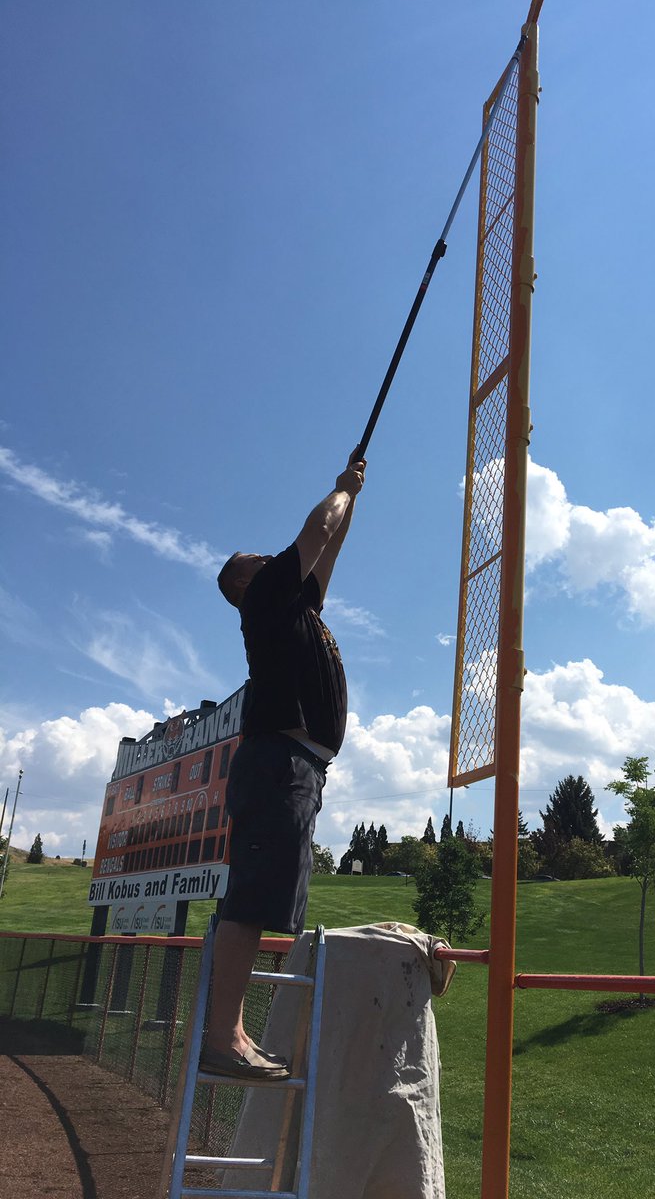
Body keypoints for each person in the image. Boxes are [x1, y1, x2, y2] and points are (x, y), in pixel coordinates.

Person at [200, 457, 366, 1079]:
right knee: (248, 903)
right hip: (279, 765)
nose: (272, 563)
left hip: (295, 769)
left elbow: (328, 549)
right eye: (258, 563)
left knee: (260, 900)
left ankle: (231, 1034)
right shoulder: (265, 598)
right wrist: (339, 491)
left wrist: (353, 499)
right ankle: (225, 1039)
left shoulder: (294, 608)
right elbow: (314, 535)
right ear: (243, 586)